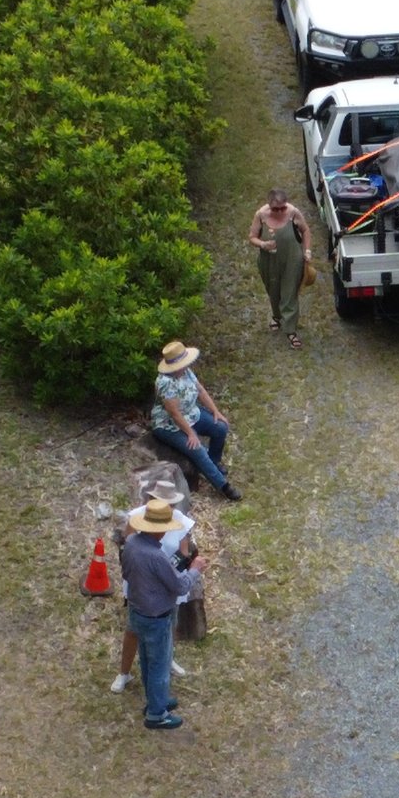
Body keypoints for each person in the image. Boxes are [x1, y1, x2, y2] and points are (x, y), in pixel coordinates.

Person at [120, 499, 210, 730]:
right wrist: (195, 569)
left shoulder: (130, 544)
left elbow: (127, 573)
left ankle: (154, 700)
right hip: (156, 617)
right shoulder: (156, 556)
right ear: (159, 529)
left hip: (137, 611)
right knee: (160, 665)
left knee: (147, 661)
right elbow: (180, 587)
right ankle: (157, 714)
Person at [110, 480, 196, 694]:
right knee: (132, 630)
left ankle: (168, 659)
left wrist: (167, 570)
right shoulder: (137, 517)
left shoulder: (182, 522)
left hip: (168, 584)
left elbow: (184, 553)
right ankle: (124, 672)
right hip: (143, 585)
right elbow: (128, 547)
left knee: (170, 624)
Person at [150, 340, 243, 501]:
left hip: (191, 413)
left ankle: (214, 461)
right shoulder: (165, 382)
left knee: (220, 428)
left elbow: (200, 390)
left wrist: (215, 411)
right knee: (197, 449)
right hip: (169, 424)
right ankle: (223, 486)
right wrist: (190, 433)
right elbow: (174, 413)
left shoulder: (186, 372)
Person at [249, 188, 312, 349]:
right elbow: (252, 237)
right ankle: (277, 316)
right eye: (275, 209)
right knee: (273, 290)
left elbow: (305, 231)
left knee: (289, 293)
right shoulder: (261, 215)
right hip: (268, 261)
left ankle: (290, 330)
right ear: (269, 206)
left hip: (292, 260)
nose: (279, 211)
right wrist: (263, 244)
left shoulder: (293, 213)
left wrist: (307, 251)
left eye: (282, 208)